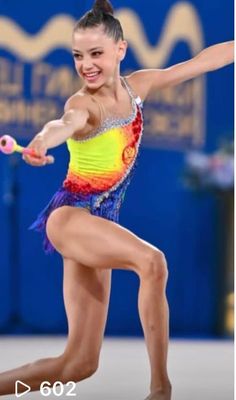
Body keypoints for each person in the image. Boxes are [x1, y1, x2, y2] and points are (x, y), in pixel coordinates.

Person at [0, 0, 233, 399]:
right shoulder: (82, 104)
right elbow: (62, 124)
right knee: (153, 262)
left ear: (120, 49)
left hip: (99, 224)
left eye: (96, 54)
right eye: (77, 55)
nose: (86, 65)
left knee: (78, 365)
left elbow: (199, 63)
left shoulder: (137, 87)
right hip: (70, 218)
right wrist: (40, 141)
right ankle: (161, 389)